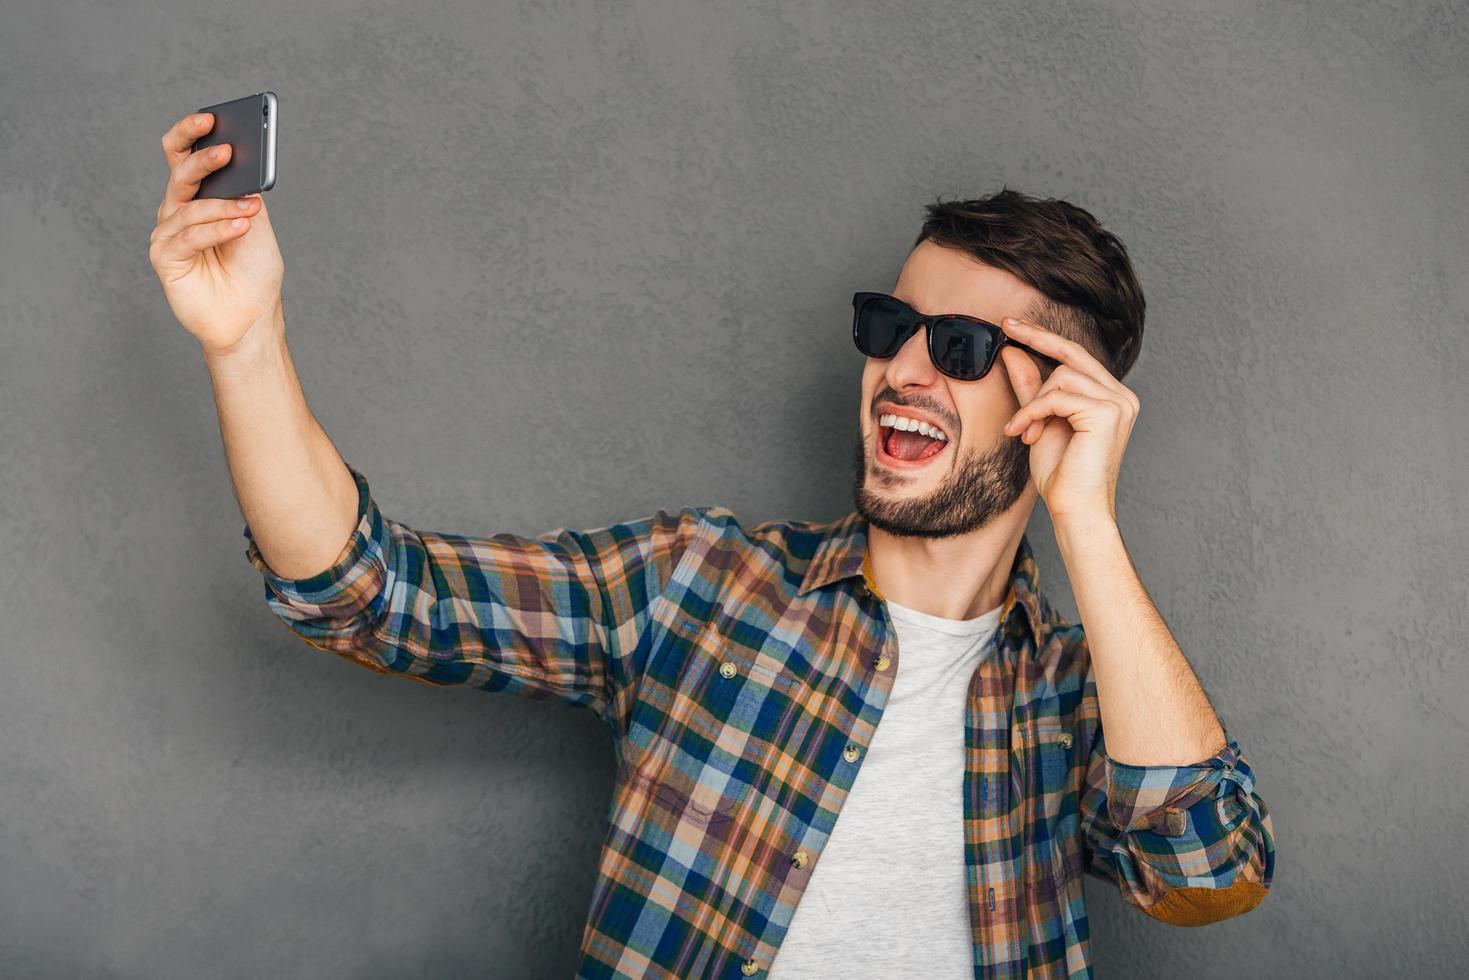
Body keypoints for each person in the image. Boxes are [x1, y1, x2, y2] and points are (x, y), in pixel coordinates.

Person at [150, 110, 1275, 979]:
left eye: (965, 343)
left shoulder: (1085, 698)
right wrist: (247, 342)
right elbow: (371, 592)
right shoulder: (701, 583)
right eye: (890, 326)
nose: (905, 367)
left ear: (1062, 406)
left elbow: (1208, 872)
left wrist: (1084, 520)